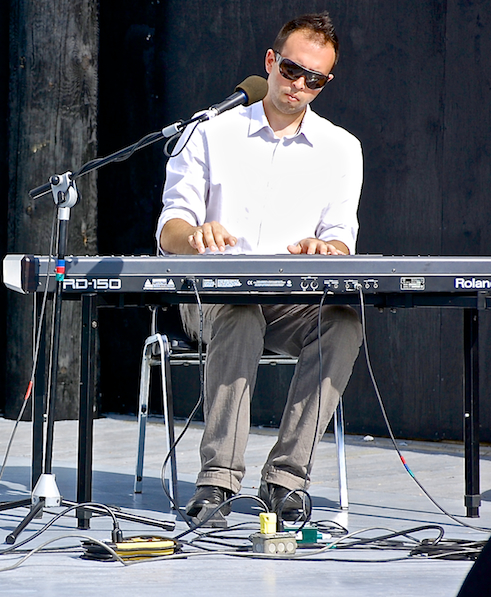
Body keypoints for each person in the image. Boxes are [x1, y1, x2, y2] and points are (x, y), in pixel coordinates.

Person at [156, 12, 363, 524]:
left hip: (292, 299)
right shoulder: (208, 131)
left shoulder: (341, 148)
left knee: (343, 321)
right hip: (212, 297)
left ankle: (286, 480)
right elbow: (169, 230)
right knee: (241, 311)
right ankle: (218, 482)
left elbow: (342, 241)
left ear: (326, 83)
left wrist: (324, 249)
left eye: (314, 79)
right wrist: (196, 236)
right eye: (293, 70)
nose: (300, 86)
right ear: (271, 62)